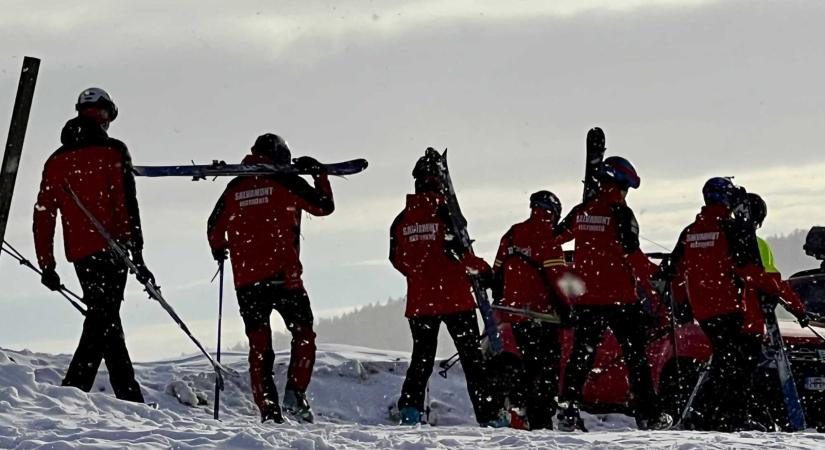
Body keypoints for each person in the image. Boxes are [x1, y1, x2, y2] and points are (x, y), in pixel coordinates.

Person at [33, 87, 151, 403]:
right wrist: (137, 253)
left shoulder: (55, 160)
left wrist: (47, 263)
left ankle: (129, 398)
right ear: (105, 114)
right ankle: (71, 392)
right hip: (113, 250)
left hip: (80, 254)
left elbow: (43, 214)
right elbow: (126, 204)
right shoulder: (113, 150)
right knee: (102, 319)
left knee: (105, 318)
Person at [207, 133, 334, 424]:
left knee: (260, 348)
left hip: (247, 283)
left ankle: (268, 410)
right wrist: (319, 175)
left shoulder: (235, 186)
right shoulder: (286, 180)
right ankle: (295, 393)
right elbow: (324, 206)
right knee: (303, 334)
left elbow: (213, 226)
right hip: (284, 278)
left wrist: (219, 249)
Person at [666, 178, 804, 431]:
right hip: (731, 308)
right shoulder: (733, 230)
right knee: (737, 366)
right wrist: (791, 303)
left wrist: (681, 304)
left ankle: (711, 416)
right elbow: (752, 272)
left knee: (725, 362)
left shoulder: (689, 232)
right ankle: (723, 417)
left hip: (703, 311)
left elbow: (674, 272)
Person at [389, 149, 504, 427]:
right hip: (455, 300)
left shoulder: (402, 220)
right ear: (440, 182)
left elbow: (396, 259)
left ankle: (410, 410)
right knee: (472, 361)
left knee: (421, 358)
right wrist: (485, 272)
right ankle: (489, 416)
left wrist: (420, 276)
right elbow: (461, 256)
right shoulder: (446, 215)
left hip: (420, 303)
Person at [555, 156, 670, 431]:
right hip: (621, 300)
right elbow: (633, 255)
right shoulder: (621, 214)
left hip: (587, 299)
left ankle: (567, 409)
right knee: (636, 359)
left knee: (580, 357)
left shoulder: (582, 210)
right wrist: (659, 273)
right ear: (622, 186)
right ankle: (649, 415)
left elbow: (554, 238)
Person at [490, 190, 571, 430]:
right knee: (545, 372)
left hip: (514, 314)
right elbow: (558, 278)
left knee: (527, 366)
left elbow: (497, 272)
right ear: (554, 213)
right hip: (543, 316)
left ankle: (521, 410)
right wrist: (568, 309)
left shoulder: (512, 234)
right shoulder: (549, 238)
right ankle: (541, 422)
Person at [739, 192, 808, 429]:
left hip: (720, 318)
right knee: (751, 373)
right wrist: (799, 310)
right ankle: (754, 417)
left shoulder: (722, 240)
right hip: (750, 320)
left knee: (730, 371)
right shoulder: (757, 245)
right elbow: (772, 282)